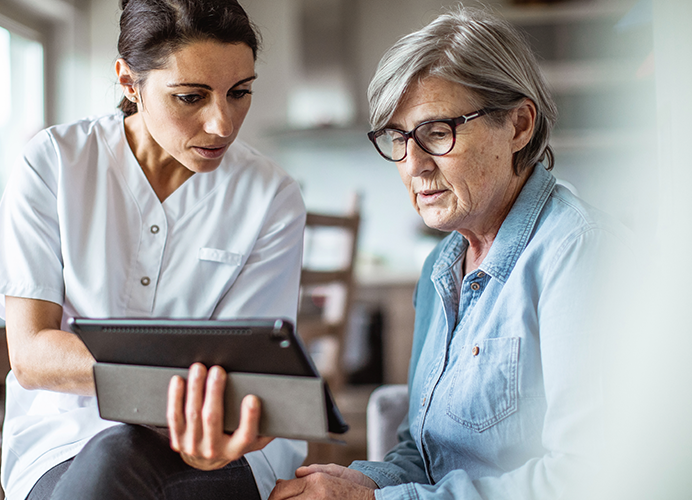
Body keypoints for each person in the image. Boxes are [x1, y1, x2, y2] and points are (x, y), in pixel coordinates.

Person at [270, 6, 631, 500]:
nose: (413, 165)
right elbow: (423, 455)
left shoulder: (579, 253)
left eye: (437, 133)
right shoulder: (440, 267)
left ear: (519, 126)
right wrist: (358, 482)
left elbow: (588, 480)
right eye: (398, 138)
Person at [0, 1, 307, 499]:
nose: (222, 124)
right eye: (190, 97)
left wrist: (207, 404)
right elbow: (33, 355)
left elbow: (250, 374)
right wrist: (189, 383)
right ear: (129, 83)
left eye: (240, 93)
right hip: (64, 442)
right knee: (114, 454)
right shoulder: (55, 163)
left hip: (219, 446)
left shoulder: (270, 196)